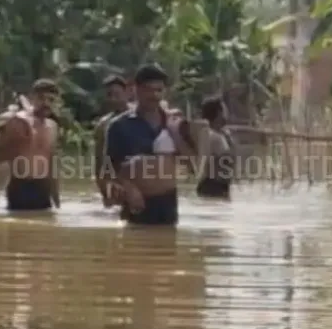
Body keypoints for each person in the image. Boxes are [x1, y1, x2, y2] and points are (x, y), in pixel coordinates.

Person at [105, 64, 195, 226]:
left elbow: (193, 164)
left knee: (167, 246)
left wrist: (174, 133)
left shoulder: (177, 123)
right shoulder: (119, 125)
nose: (154, 95)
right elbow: (109, 168)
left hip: (167, 203)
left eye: (159, 90)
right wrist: (128, 188)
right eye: (149, 90)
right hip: (135, 203)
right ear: (136, 89)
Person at [0, 79, 61, 211]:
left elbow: (52, 165)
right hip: (20, 186)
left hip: (42, 189)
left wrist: (57, 200)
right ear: (32, 98)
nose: (46, 103)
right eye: (41, 98)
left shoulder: (53, 126)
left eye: (51, 100)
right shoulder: (17, 122)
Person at [93, 75, 130, 207]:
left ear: (127, 93)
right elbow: (99, 163)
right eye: (109, 95)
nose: (113, 99)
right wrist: (104, 192)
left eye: (117, 94)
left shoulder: (139, 118)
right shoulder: (103, 124)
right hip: (114, 182)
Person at [196, 96, 236, 199]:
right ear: (219, 113)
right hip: (212, 185)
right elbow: (227, 160)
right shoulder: (212, 136)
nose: (227, 113)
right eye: (225, 109)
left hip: (219, 185)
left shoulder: (220, 134)